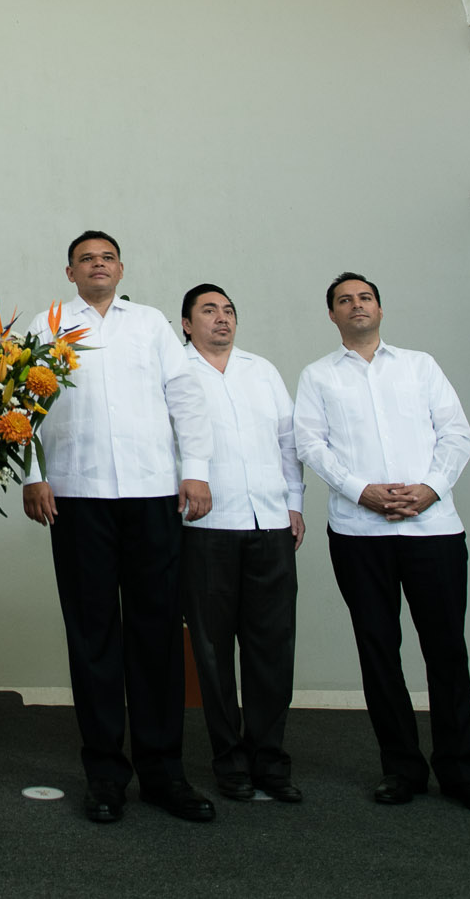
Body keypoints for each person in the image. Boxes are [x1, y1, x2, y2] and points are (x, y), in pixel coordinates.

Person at [293, 272, 470, 817]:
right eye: (344, 300)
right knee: (378, 652)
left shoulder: (420, 366)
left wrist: (430, 490)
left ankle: (462, 772)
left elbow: (456, 434)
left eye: (364, 297)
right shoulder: (318, 377)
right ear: (332, 315)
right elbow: (310, 446)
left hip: (432, 529)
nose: (355, 305)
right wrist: (359, 490)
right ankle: (402, 768)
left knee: (446, 651)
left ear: (380, 310)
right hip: (359, 533)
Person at [23, 232, 216, 824]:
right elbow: (17, 404)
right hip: (77, 497)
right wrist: (33, 476)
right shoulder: (46, 323)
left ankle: (164, 774)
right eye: (86, 259)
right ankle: (105, 775)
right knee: (93, 636)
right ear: (70, 271)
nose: (97, 265)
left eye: (106, 257)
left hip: (153, 493)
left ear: (121, 268)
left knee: (156, 635)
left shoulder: (153, 323)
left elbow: (185, 397)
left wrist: (197, 472)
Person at [177, 283, 304, 804]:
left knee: (271, 651)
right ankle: (230, 761)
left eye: (228, 310)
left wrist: (294, 502)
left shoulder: (262, 369)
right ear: (186, 324)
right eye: (208, 310)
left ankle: (270, 761)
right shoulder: (175, 372)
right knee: (212, 654)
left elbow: (287, 441)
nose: (222, 318)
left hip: (271, 524)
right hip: (205, 529)